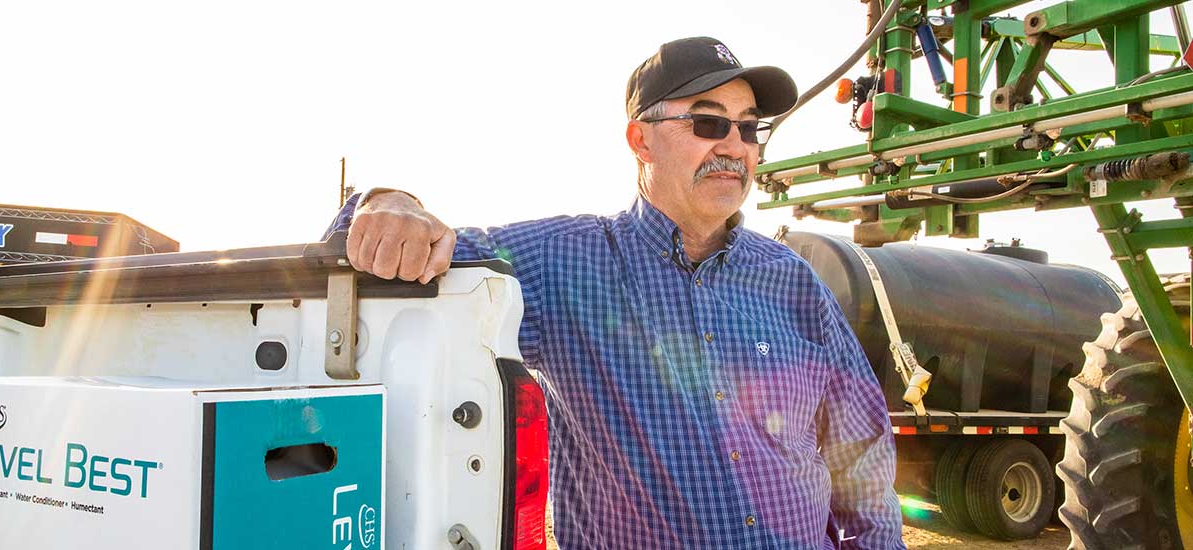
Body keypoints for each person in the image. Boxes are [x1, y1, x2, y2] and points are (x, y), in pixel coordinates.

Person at [326, 37, 904, 549]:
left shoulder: (794, 280)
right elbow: (387, 243)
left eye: (750, 127)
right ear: (641, 140)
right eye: (707, 122)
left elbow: (863, 451)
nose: (734, 144)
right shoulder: (560, 265)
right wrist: (389, 202)